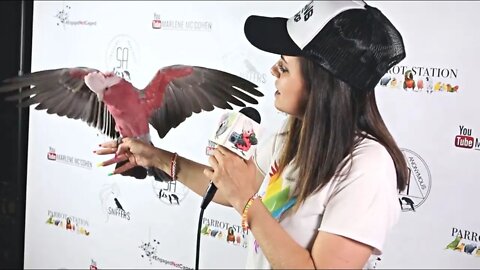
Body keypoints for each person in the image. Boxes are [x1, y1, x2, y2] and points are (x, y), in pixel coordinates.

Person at [96, 0, 408, 268]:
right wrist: (157, 158)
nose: (273, 70)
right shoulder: (295, 136)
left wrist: (247, 200)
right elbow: (229, 186)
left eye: (284, 68)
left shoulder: (368, 168)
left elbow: (243, 195)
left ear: (321, 86)